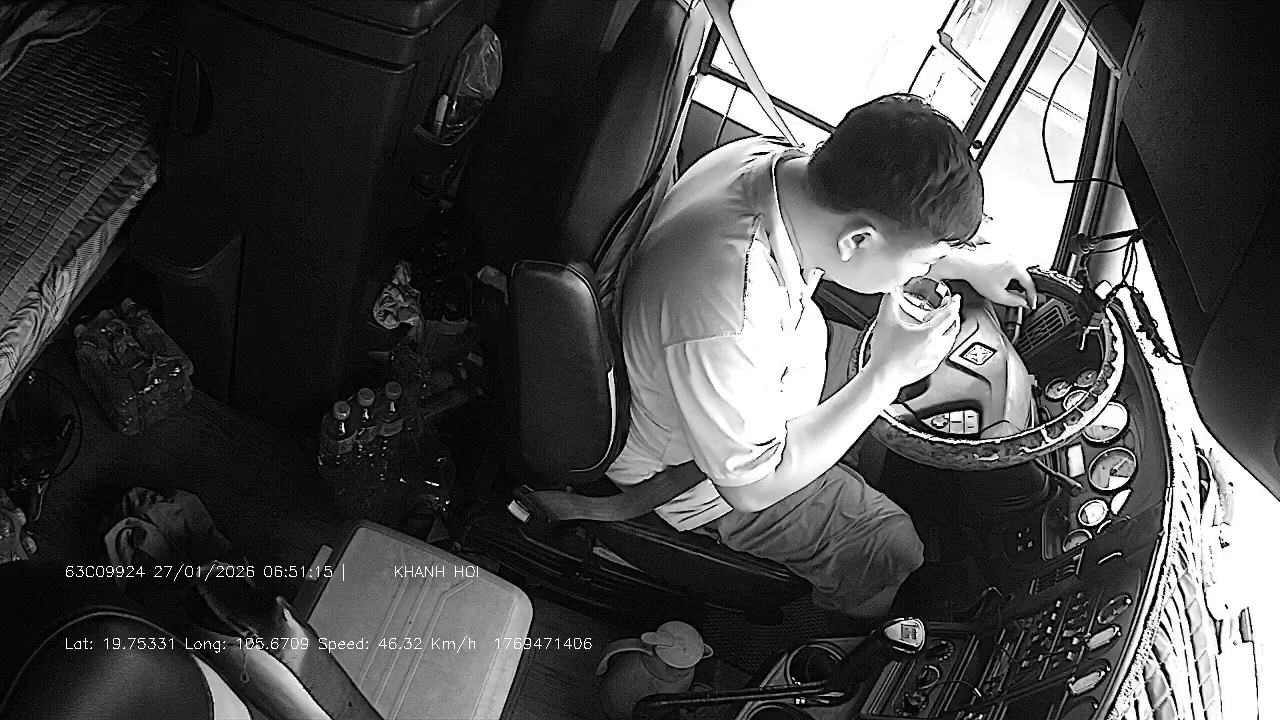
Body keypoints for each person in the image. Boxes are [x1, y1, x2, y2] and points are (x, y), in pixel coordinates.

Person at [606, 94, 1037, 620]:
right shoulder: (726, 308)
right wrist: (884, 374)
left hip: (759, 372)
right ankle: (819, 637)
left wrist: (962, 263)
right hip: (697, 475)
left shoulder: (771, 163)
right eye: (918, 263)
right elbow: (752, 487)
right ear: (857, 240)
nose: (919, 273)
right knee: (890, 547)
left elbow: (878, 231)